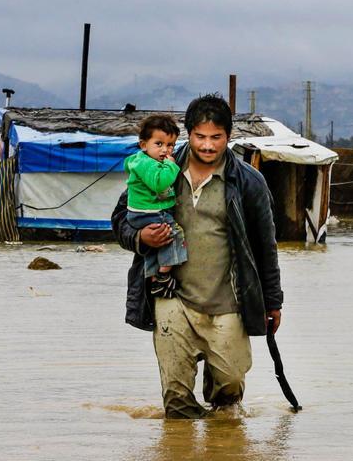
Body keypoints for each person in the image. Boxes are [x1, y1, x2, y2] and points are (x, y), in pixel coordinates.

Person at [111, 94, 284, 419]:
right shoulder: (157, 171)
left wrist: (273, 301)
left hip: (229, 302)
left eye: (215, 137)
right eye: (200, 137)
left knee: (228, 395)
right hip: (171, 297)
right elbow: (121, 218)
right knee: (176, 403)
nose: (207, 145)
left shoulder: (249, 182)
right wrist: (140, 237)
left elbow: (266, 245)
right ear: (188, 134)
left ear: (228, 136)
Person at [122, 114, 187, 297]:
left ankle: (152, 277)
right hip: (148, 212)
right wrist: (172, 166)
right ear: (144, 145)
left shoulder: (149, 162)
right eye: (159, 144)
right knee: (175, 233)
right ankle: (163, 275)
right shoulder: (146, 163)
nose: (165, 150)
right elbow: (160, 184)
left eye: (170, 145)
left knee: (156, 246)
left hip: (143, 213)